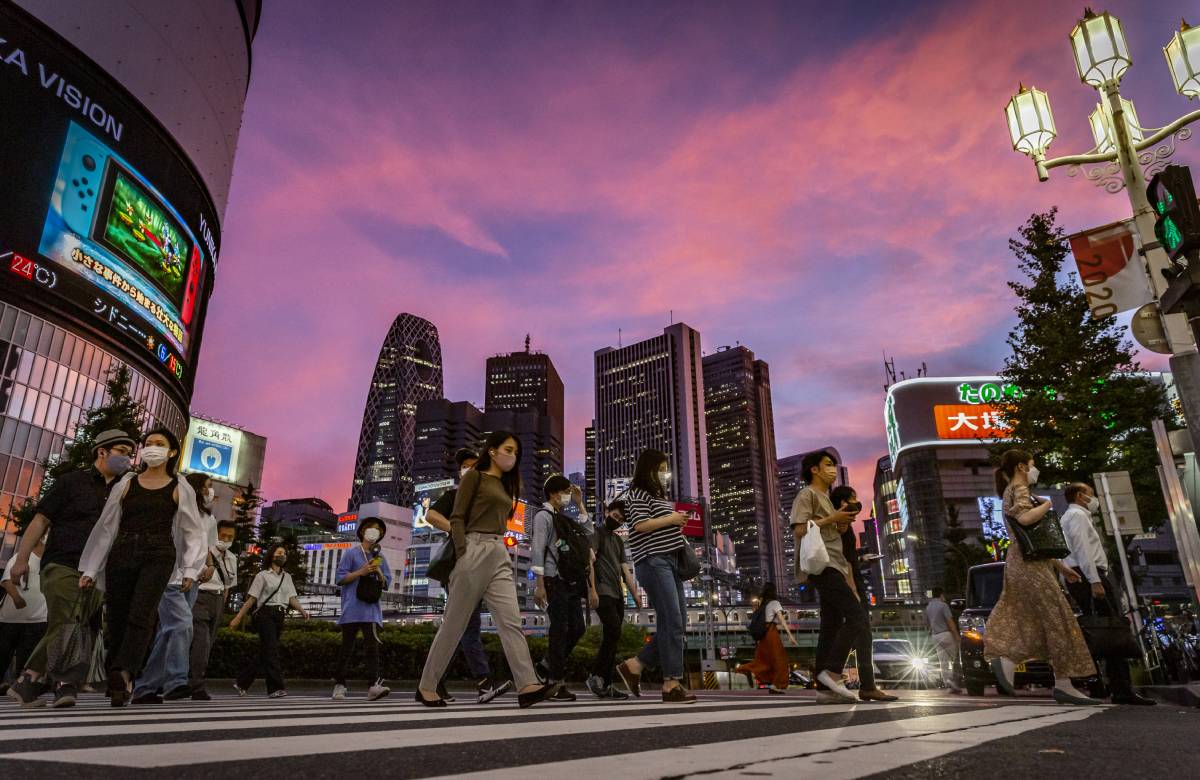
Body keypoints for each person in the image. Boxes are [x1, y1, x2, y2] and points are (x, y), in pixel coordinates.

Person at [416, 432, 554, 708]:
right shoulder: (474, 477)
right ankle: (427, 686)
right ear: (492, 451)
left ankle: (527, 684)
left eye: (516, 452)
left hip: (498, 551)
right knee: (454, 624)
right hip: (473, 548)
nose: (512, 456)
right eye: (508, 449)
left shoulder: (504, 484)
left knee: (510, 620)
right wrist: (463, 549)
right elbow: (456, 517)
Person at [77, 428, 207, 708]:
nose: (152, 448)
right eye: (148, 444)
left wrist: (190, 570)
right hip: (122, 552)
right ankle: (118, 678)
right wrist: (90, 568)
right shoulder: (127, 483)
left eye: (159, 444)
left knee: (142, 615)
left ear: (171, 452)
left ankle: (124, 673)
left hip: (159, 554)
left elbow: (192, 531)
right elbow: (107, 527)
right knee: (118, 616)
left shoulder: (179, 486)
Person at [7, 429, 134, 708]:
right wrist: (21, 559)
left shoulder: (124, 491)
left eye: (129, 453)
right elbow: (40, 521)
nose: (128, 458)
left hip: (99, 569)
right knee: (67, 618)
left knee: (78, 625)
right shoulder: (71, 483)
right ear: (102, 451)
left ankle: (40, 681)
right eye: (122, 452)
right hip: (63, 562)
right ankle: (50, 682)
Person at [984, 450, 1100, 705]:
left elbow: (1032, 540)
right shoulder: (1020, 489)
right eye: (1032, 465)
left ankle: (1008, 659)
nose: (1035, 470)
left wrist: (1060, 567)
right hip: (1030, 565)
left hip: (1023, 561)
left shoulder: (1010, 491)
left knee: (1030, 617)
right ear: (1022, 467)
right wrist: (1047, 505)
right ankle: (1062, 682)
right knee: (1057, 617)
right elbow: (1025, 519)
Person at [425, 447, 513, 705]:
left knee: (458, 626)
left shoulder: (489, 496)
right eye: (465, 465)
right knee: (467, 626)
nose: (470, 468)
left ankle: (436, 680)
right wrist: (457, 529)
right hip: (460, 568)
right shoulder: (455, 495)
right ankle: (483, 682)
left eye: (476, 464)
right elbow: (430, 514)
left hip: (486, 566)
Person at [1060, 482, 1155, 706]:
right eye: (1091, 494)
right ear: (1079, 496)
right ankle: (1121, 687)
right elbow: (1083, 549)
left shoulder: (1070, 517)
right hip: (1089, 576)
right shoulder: (1077, 516)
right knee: (1112, 630)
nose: (1094, 499)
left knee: (1097, 630)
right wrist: (1094, 580)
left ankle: (1103, 684)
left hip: (1080, 576)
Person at [615, 449, 697, 704]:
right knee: (672, 619)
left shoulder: (656, 495)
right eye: (661, 469)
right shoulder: (636, 494)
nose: (665, 474)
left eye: (666, 469)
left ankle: (636, 665)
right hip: (653, 560)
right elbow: (639, 525)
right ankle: (671, 683)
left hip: (670, 560)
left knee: (678, 621)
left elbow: (656, 523)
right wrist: (671, 518)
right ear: (649, 469)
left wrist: (675, 521)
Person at [131, 472, 217, 704]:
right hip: (170, 578)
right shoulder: (175, 510)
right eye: (208, 486)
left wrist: (209, 566)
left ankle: (145, 687)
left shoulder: (209, 519)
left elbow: (205, 545)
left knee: (169, 632)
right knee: (182, 625)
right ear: (196, 488)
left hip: (193, 581)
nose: (211, 491)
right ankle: (176, 681)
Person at [790, 450, 863, 704]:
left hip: (835, 563)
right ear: (814, 469)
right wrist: (831, 518)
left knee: (831, 623)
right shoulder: (806, 494)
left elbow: (832, 532)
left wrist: (840, 522)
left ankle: (824, 689)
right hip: (821, 565)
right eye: (828, 465)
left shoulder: (827, 498)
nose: (833, 469)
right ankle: (832, 671)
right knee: (856, 615)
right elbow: (800, 529)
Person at [829, 485, 897, 702]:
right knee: (858, 628)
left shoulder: (845, 525)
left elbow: (849, 557)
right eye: (852, 500)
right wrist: (854, 589)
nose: (856, 505)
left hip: (850, 577)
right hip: (848, 580)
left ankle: (864, 684)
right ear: (842, 502)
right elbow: (844, 560)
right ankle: (833, 674)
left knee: (859, 632)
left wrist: (862, 558)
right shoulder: (840, 525)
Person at [532, 475, 597, 702]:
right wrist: (539, 584)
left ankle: (546, 665)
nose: (567, 495)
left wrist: (579, 503)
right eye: (565, 491)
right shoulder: (543, 516)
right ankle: (555, 683)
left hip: (569, 581)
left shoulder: (563, 517)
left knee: (577, 628)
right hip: (552, 579)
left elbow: (588, 530)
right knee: (558, 631)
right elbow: (537, 549)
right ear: (553, 493)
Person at [231, 545, 310, 698]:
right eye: (279, 553)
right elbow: (251, 599)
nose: (283, 555)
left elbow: (291, 598)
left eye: (284, 553)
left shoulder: (287, 577)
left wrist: (302, 611)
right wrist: (238, 617)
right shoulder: (262, 575)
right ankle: (275, 688)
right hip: (265, 614)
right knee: (271, 651)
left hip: (279, 615)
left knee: (266, 652)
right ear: (272, 556)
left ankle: (242, 682)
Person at [332, 516, 392, 701]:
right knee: (347, 648)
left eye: (379, 530)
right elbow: (340, 579)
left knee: (372, 648)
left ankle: (373, 685)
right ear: (363, 531)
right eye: (371, 528)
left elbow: (386, 583)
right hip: (352, 608)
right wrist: (361, 572)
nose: (375, 532)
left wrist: (379, 573)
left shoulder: (380, 557)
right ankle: (339, 684)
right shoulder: (351, 553)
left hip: (371, 609)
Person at [586, 500, 636, 699]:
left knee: (613, 636)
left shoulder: (618, 541)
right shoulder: (596, 533)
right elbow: (589, 562)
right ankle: (595, 676)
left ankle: (606, 684)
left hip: (617, 593)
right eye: (615, 516)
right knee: (613, 629)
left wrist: (635, 595)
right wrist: (592, 591)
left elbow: (625, 569)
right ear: (606, 511)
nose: (617, 521)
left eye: (621, 520)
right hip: (602, 590)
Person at [189, 519, 238, 700]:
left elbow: (228, 586)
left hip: (218, 600)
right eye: (223, 535)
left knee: (208, 644)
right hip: (200, 596)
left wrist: (223, 604)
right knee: (201, 642)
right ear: (215, 533)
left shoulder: (232, 558)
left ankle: (192, 679)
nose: (226, 539)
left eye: (230, 537)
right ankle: (196, 685)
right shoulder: (205, 551)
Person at [0, 535, 48, 693]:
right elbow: (6, 580)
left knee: (26, 658)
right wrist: (16, 597)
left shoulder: (51, 563)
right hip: (12, 619)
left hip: (37, 620)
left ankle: (20, 686)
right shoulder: (21, 558)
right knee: (4, 653)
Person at [736, 583, 797, 693]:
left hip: (763, 634)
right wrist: (790, 635)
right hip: (771, 633)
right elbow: (782, 620)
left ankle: (744, 668)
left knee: (764, 660)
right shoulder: (775, 603)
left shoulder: (763, 604)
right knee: (780, 659)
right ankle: (777, 685)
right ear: (774, 591)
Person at [926, 587, 964, 694]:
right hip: (946, 634)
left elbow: (928, 624)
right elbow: (950, 622)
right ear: (941, 595)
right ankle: (955, 682)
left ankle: (947, 682)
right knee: (956, 658)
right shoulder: (943, 605)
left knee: (943, 661)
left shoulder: (928, 607)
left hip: (935, 636)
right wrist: (957, 636)